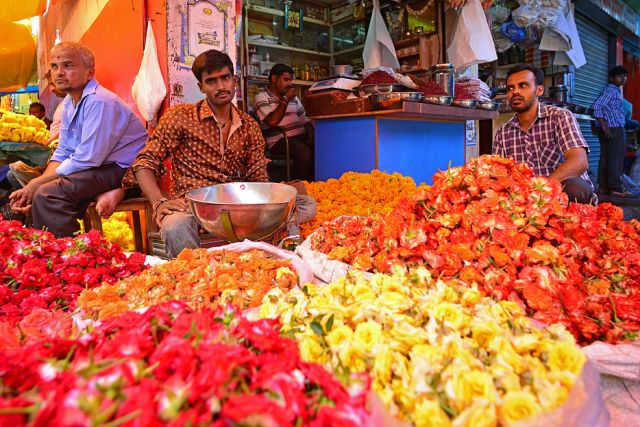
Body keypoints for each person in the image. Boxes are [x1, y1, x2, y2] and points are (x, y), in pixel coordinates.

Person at [122, 49, 271, 258]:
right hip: (188, 205)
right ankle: (195, 281)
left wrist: (266, 203)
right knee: (174, 226)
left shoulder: (249, 125)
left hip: (233, 204)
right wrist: (159, 202)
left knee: (303, 206)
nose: (220, 87)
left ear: (234, 80)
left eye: (225, 78)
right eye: (211, 81)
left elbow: (258, 175)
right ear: (201, 87)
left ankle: (252, 275)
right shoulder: (181, 117)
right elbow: (144, 162)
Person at [9, 42, 148, 237]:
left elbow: (87, 159)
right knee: (42, 191)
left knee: (49, 196)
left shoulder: (100, 101)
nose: (59, 73)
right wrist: (39, 182)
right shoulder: (69, 102)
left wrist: (37, 184)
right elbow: (63, 150)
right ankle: (48, 255)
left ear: (90, 73)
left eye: (68, 65)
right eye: (55, 66)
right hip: (100, 167)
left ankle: (70, 259)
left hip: (127, 170)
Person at [493, 64, 595, 204]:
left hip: (558, 192)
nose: (515, 92)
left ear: (539, 90)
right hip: (524, 198)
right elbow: (499, 173)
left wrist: (541, 189)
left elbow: (579, 162)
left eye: (523, 85)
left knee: (576, 189)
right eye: (510, 88)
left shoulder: (560, 117)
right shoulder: (503, 132)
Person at [253, 63, 315, 181]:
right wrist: (285, 99)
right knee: (303, 152)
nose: (290, 84)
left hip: (300, 137)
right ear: (274, 79)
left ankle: (317, 184)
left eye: (291, 80)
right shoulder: (261, 97)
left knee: (321, 147)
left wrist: (312, 134)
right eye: (286, 80)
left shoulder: (294, 98)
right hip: (279, 140)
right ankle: (299, 187)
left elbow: (304, 120)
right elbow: (272, 121)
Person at [593, 66, 629, 196]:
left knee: (606, 158)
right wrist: (603, 125)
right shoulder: (611, 90)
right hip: (613, 128)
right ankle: (615, 188)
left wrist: (599, 124)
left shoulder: (615, 91)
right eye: (620, 76)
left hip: (610, 128)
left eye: (625, 76)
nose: (623, 79)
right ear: (611, 78)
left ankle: (604, 188)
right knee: (616, 158)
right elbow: (597, 107)